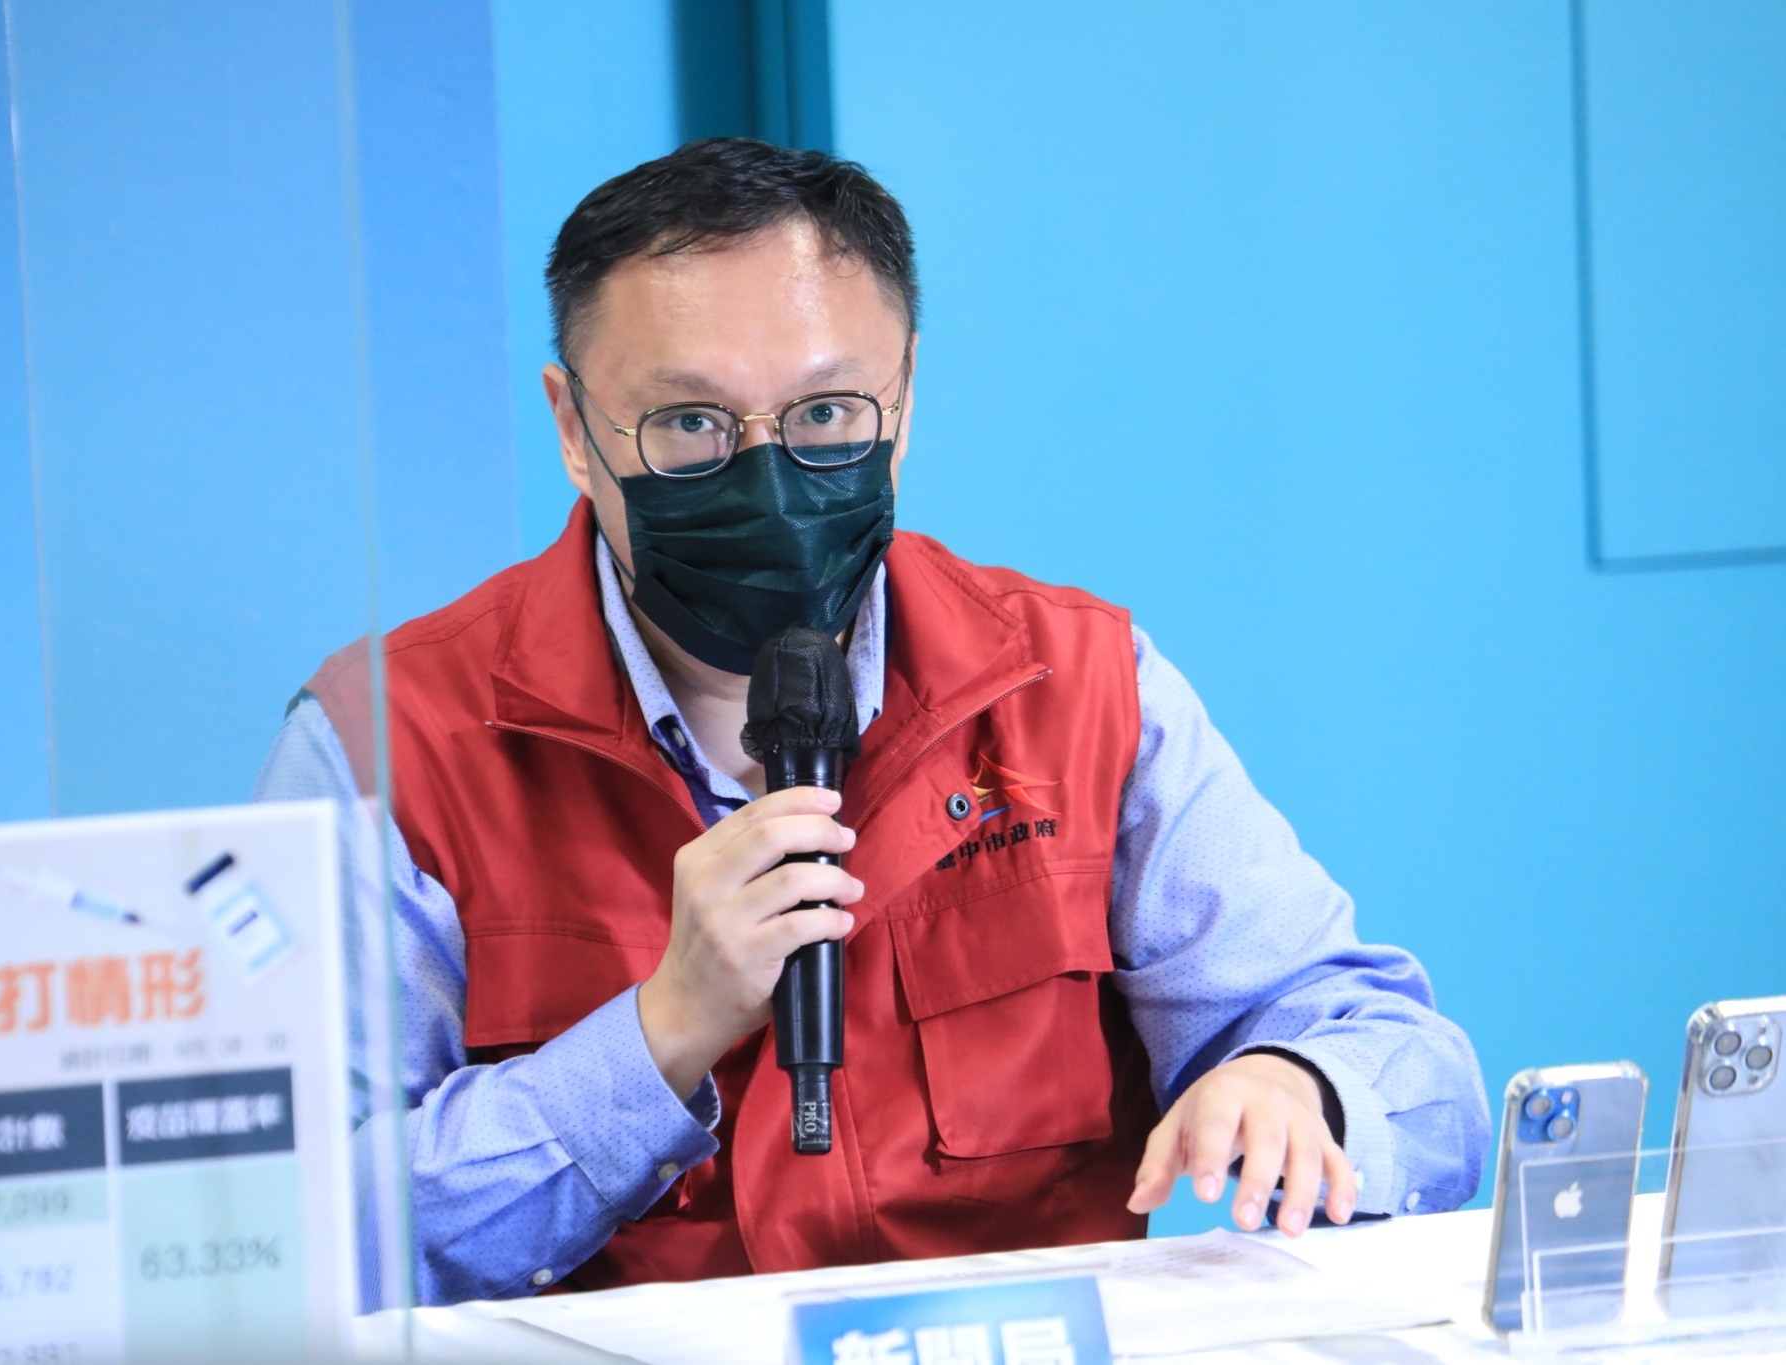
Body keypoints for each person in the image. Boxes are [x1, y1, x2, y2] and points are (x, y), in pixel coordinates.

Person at [256, 138, 1488, 1305]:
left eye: (825, 413)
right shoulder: (386, 744)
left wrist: (1297, 1083)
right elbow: (289, 1232)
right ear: (575, 430)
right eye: (688, 424)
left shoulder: (1074, 687)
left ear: (901, 401)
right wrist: (661, 1030)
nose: (767, 476)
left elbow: (1408, 1068)